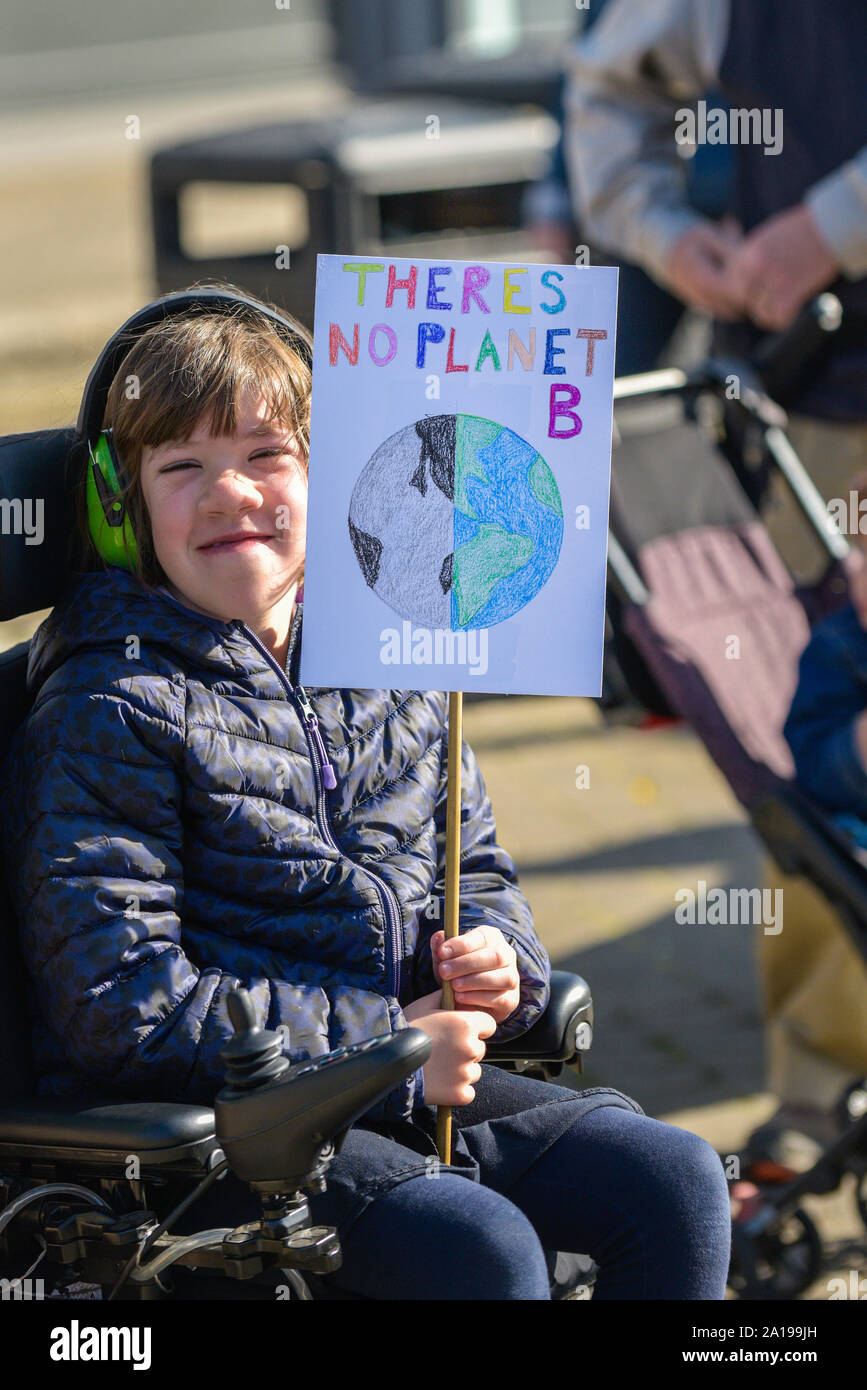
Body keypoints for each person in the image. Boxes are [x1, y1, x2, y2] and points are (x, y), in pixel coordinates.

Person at [0, 287, 731, 1300]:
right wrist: (381, 1048)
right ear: (119, 511)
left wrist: (499, 960)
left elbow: (475, 869)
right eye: (183, 468)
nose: (233, 494)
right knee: (481, 1249)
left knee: (675, 1179)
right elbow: (117, 1007)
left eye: (266, 455)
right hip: (226, 1135)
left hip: (409, 1077)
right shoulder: (107, 705)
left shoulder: (400, 652)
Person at [564, 0, 867, 1172]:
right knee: (812, 773)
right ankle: (823, 1099)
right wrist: (667, 234)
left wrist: (832, 225)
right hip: (819, 408)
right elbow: (607, 96)